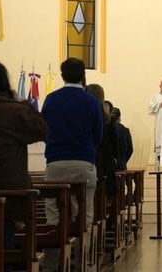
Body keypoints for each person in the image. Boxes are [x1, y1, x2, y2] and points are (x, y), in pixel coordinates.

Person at [42, 58, 103, 272]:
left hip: (56, 162)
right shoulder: (91, 102)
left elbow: (44, 130)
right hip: (83, 161)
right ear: (83, 76)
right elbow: (98, 134)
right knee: (84, 216)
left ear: (62, 75)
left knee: (54, 216)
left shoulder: (51, 99)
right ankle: (80, 265)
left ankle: (51, 265)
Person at [0, 60, 48, 249]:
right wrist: (23, 103)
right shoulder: (16, 111)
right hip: (9, 193)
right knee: (3, 245)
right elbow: (42, 129)